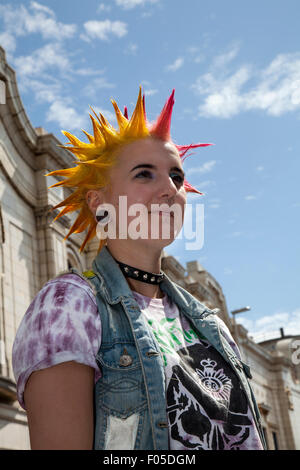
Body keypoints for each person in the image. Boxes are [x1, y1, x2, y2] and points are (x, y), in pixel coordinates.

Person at [12, 88, 266, 450]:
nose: (169, 189)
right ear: (99, 203)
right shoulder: (68, 306)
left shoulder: (213, 327)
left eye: (176, 177)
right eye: (144, 174)